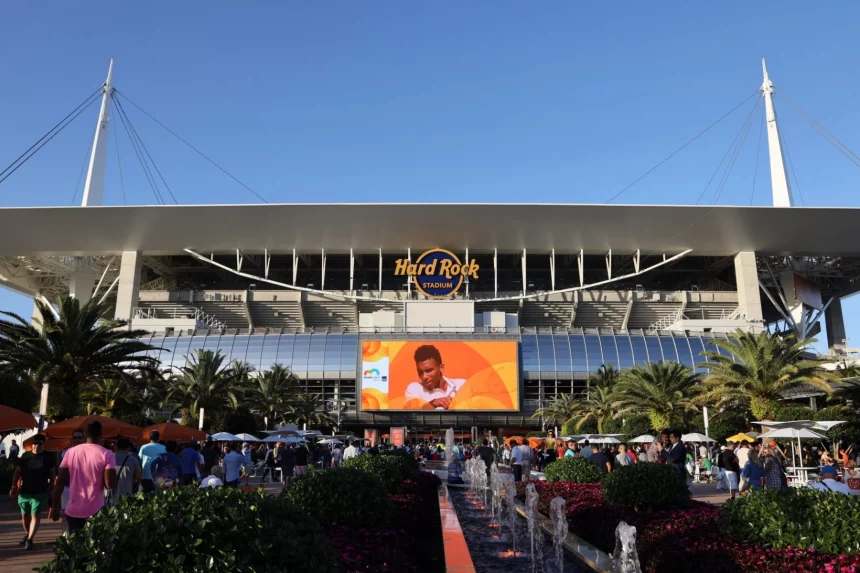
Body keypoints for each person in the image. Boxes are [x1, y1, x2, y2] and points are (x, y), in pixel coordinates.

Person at [50, 421, 116, 535]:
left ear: (85, 434)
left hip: (73, 510)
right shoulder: (107, 454)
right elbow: (109, 484)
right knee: (93, 547)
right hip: (96, 511)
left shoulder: (70, 452)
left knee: (75, 547)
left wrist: (55, 506)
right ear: (101, 435)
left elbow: (60, 481)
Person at [9, 433, 55, 550]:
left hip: (40, 491)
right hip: (24, 491)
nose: (36, 446)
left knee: (35, 515)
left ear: (43, 445)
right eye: (34, 443)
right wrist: (14, 486)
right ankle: (28, 534)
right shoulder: (25, 456)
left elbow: (52, 473)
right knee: (25, 516)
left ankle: (29, 540)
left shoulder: (48, 457)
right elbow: (17, 472)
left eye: (39, 444)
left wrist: (52, 487)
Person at [404, 344, 466, 410]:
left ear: (441, 368)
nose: (424, 377)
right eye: (420, 372)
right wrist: (432, 403)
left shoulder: (462, 385)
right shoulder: (415, 388)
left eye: (429, 370)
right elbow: (409, 414)